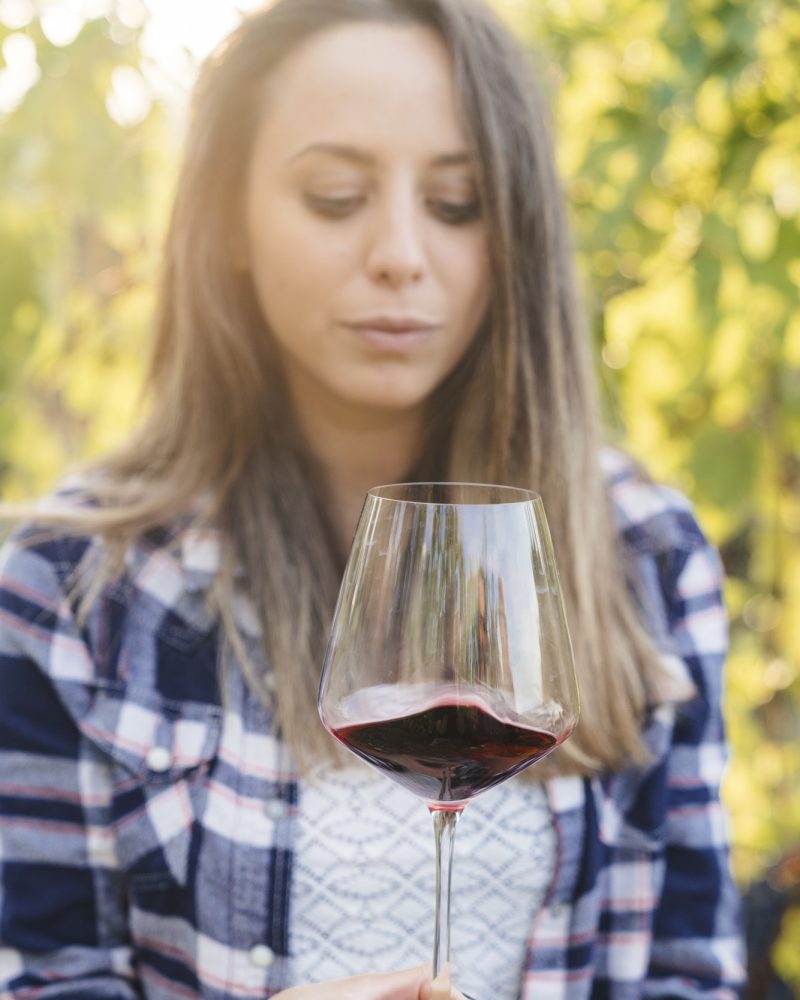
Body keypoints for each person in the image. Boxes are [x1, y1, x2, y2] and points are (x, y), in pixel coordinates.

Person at [0, 0, 746, 997]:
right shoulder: (73, 583)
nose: (400, 252)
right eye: (336, 195)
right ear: (228, 222)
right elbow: (48, 975)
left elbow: (688, 974)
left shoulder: (645, 555)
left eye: (456, 204)